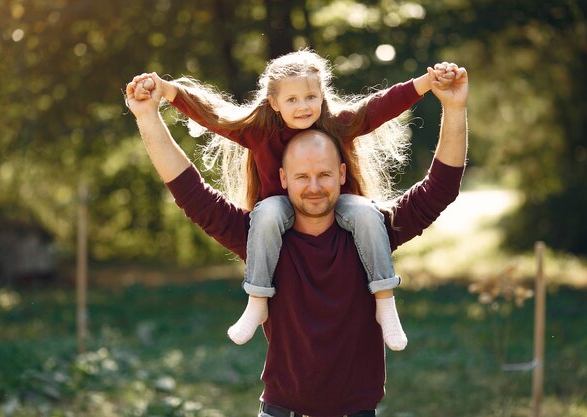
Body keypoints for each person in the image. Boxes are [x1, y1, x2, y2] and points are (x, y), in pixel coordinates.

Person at [125, 62, 468, 416]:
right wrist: (148, 115)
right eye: (302, 176)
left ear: (341, 174)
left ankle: (387, 303)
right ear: (283, 179)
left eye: (324, 174)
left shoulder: (371, 235)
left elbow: (439, 189)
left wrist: (454, 107)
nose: (315, 186)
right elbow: (191, 191)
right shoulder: (262, 239)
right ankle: (254, 302)